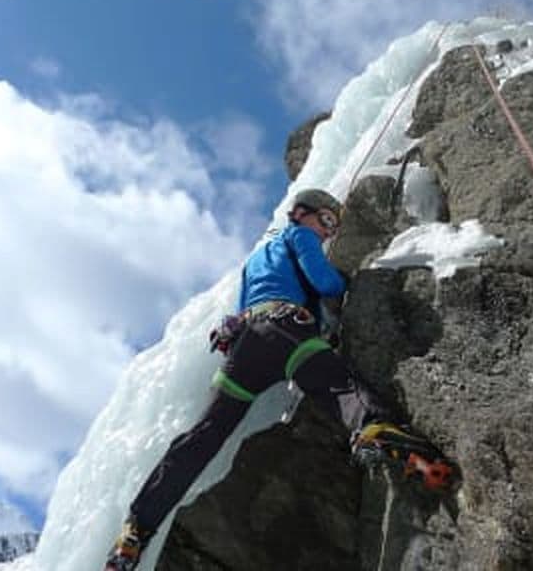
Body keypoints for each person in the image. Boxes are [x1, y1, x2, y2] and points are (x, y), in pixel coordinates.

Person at [105, 189, 454, 571]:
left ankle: (137, 528)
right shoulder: (298, 235)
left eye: (332, 227)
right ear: (302, 214)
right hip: (288, 331)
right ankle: (374, 427)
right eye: (326, 222)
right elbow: (325, 283)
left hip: (246, 348)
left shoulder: (255, 261)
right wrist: (343, 281)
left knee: (205, 435)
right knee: (335, 385)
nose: (327, 233)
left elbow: (243, 308)